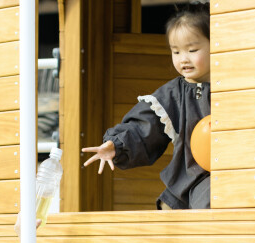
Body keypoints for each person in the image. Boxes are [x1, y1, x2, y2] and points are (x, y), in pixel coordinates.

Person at [82, 2, 212, 209]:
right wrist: (117, 144)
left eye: (192, 49)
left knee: (207, 206)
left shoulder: (232, 86)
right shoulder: (174, 93)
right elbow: (145, 124)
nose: (183, 59)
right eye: (176, 52)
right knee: (167, 211)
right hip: (182, 180)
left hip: (216, 178)